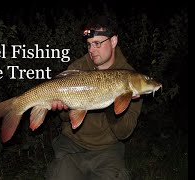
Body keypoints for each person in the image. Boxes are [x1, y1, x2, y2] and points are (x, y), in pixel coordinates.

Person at [46, 15, 143, 180]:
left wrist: (115, 102)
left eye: (97, 43)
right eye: (89, 45)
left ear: (113, 41)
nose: (91, 50)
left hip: (107, 149)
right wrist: (63, 108)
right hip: (72, 145)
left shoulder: (131, 78)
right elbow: (65, 118)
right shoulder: (78, 68)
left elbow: (124, 133)